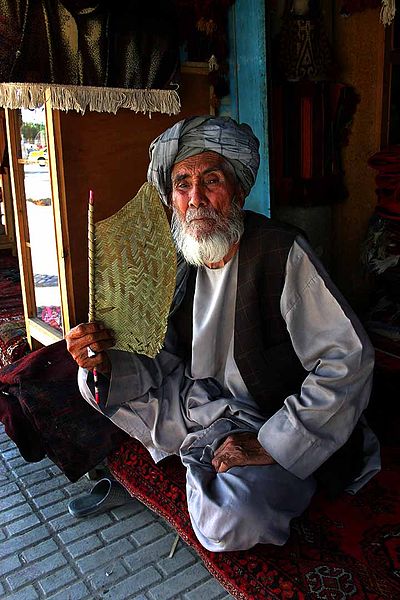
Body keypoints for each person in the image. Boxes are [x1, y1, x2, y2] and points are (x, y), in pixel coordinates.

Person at [66, 116, 380, 552]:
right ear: (172, 198)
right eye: (182, 184)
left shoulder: (280, 251)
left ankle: (265, 466)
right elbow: (157, 355)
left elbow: (350, 359)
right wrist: (101, 358)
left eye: (210, 180)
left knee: (228, 523)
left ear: (237, 190)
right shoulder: (176, 255)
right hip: (199, 404)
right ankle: (208, 452)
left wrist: (272, 444)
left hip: (270, 413)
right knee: (91, 380)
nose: (196, 199)